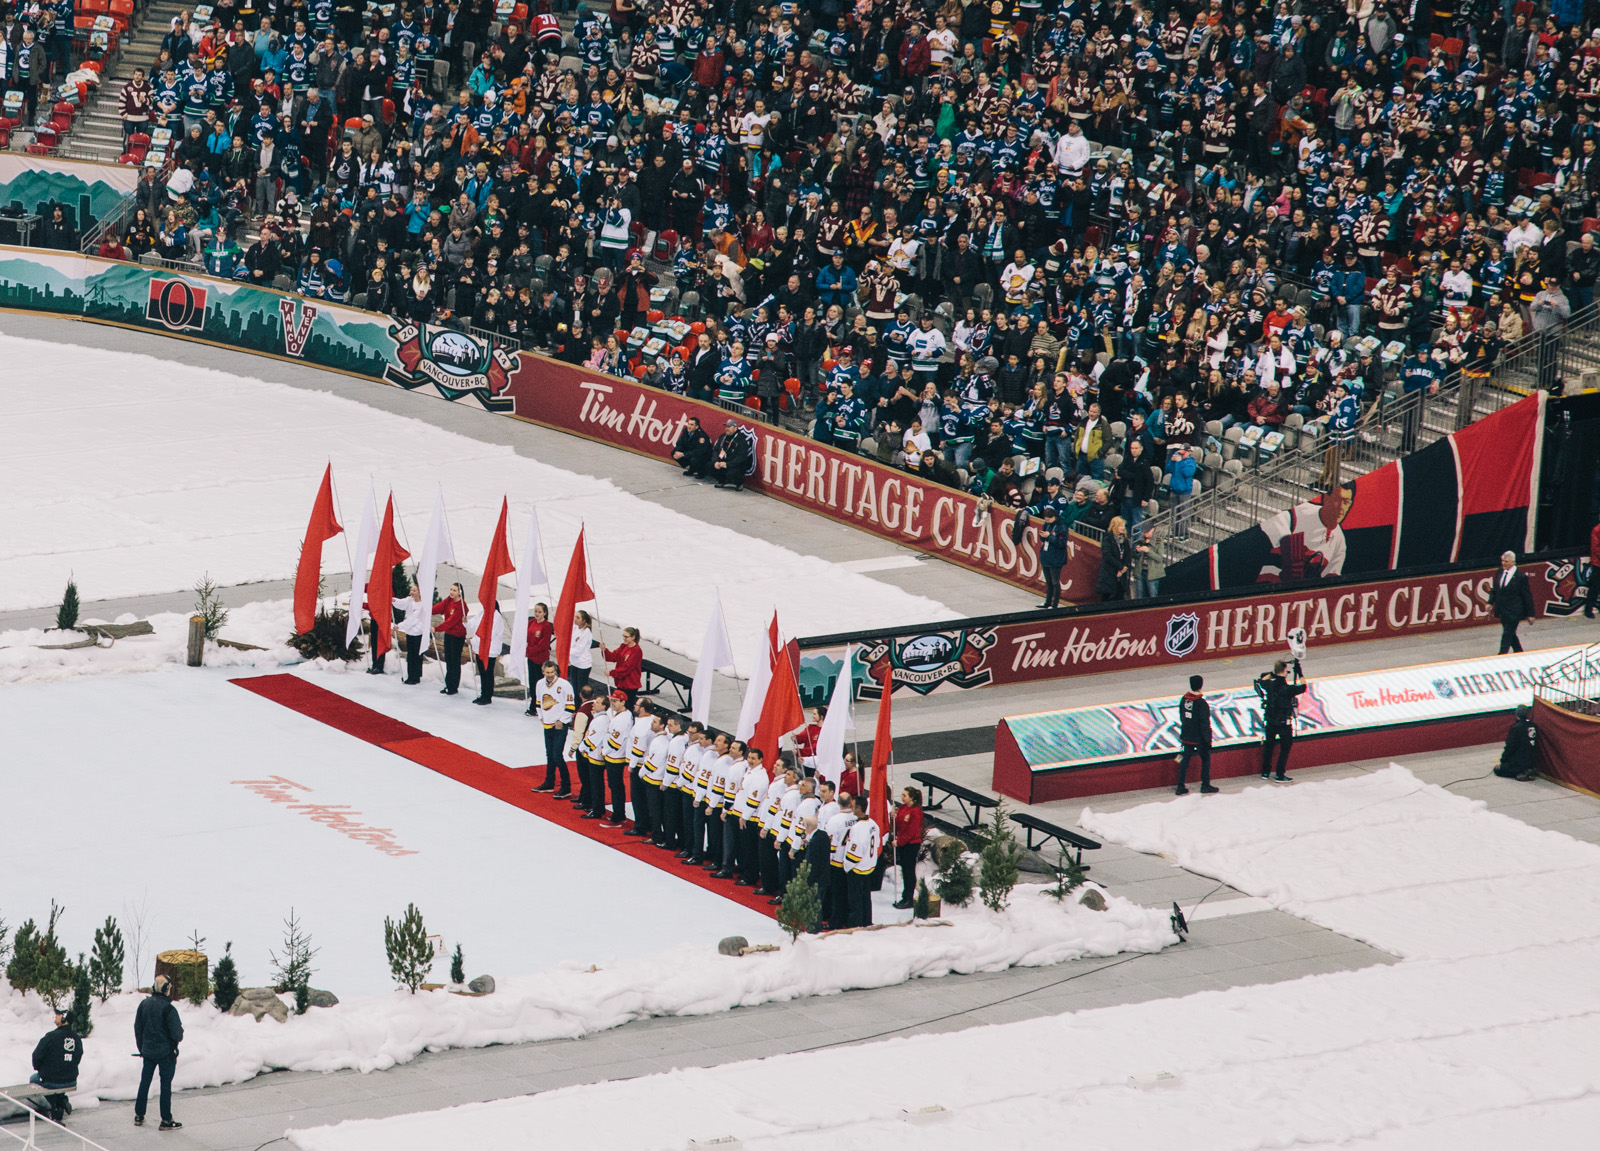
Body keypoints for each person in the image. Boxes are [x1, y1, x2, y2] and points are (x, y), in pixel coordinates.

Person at [133, 974, 183, 1130]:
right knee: (165, 1085)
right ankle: (166, 1119)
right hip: (165, 1054)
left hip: (148, 1052)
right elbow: (177, 1034)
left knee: (144, 1083)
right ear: (166, 989)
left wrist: (142, 1048)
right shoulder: (169, 1009)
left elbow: (138, 1028)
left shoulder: (144, 1004)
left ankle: (139, 1115)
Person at [1255, 659, 1307, 781]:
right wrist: (1300, 673)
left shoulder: (1269, 685)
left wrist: (1273, 673)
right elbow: (1303, 687)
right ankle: (1279, 773)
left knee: (1269, 746)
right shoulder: (1288, 689)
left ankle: (1265, 772)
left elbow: (1262, 680)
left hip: (1270, 721)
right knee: (1285, 748)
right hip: (1284, 724)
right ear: (1285, 671)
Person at [29, 1006, 80, 1125]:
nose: (55, 1017)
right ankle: (61, 1099)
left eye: (58, 1014)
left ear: (64, 1018)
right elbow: (77, 1057)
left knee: (34, 1078)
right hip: (71, 1080)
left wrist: (40, 1069)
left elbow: (36, 1056)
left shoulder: (50, 1037)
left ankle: (57, 1104)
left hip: (52, 1080)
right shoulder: (76, 1038)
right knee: (57, 1082)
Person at [531, 661, 575, 795]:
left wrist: (562, 720)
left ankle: (566, 787)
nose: (550, 675)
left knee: (557, 755)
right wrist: (541, 717)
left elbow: (570, 706)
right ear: (543, 672)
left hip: (559, 725)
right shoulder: (539, 684)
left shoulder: (564, 685)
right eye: (547, 672)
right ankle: (549, 783)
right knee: (549, 755)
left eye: (552, 672)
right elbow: (538, 702)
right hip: (547, 724)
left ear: (555, 671)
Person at [842, 794, 881, 927]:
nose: (851, 808)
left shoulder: (858, 828)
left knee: (855, 899)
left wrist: (847, 866)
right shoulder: (873, 824)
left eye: (853, 806)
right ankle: (866, 920)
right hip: (868, 867)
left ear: (858, 808)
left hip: (857, 869)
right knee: (866, 897)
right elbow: (877, 844)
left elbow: (855, 853)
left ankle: (855, 924)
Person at [1175, 674, 1217, 795]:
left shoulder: (1184, 699)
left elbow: (1182, 716)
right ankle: (1205, 784)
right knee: (1205, 759)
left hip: (1186, 735)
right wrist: (1208, 739)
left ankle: (1180, 785)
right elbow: (1204, 723)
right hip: (1199, 738)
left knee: (1184, 760)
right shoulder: (1202, 703)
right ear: (1201, 685)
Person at [1487, 551, 1535, 654]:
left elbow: (1527, 596)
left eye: (1506, 561)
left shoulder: (1520, 577)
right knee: (1511, 634)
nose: (1503, 563)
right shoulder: (1500, 572)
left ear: (1513, 562)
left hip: (1514, 611)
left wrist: (1530, 614)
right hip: (1502, 610)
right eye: (1502, 561)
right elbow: (1495, 589)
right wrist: (1490, 602)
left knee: (1507, 634)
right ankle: (1519, 652)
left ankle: (1502, 655)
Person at [467, 599, 505, 705]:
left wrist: (473, 641)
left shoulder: (496, 617)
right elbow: (473, 624)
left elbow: (489, 635)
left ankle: (487, 696)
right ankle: (483, 694)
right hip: (480, 648)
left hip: (490, 649)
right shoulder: (482, 613)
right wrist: (466, 622)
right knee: (483, 673)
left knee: (488, 673)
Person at [431, 583, 467, 696]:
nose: (451, 592)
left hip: (457, 635)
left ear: (459, 592)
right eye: (451, 589)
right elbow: (440, 607)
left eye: (454, 590)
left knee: (454, 661)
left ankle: (453, 686)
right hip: (449, 634)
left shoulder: (461, 606)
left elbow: (451, 622)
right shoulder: (449, 600)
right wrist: (428, 610)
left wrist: (436, 629)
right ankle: (448, 684)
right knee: (448, 659)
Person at [891, 786, 924, 909]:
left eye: (905, 795)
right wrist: (894, 817)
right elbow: (899, 825)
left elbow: (911, 832)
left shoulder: (916, 812)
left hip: (911, 844)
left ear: (912, 798)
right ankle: (905, 896)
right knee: (905, 870)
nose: (902, 797)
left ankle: (909, 898)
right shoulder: (903, 807)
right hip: (904, 843)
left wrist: (899, 842)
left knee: (909, 871)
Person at [395, 581, 428, 685]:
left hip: (418, 633)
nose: (412, 592)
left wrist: (399, 626)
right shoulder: (410, 601)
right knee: (410, 655)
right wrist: (393, 600)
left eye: (414, 590)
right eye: (411, 590)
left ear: (419, 592)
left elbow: (413, 619)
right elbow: (401, 603)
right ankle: (411, 675)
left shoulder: (422, 605)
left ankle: (416, 676)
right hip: (410, 632)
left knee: (417, 655)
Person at [1494, 706, 1539, 781]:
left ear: (1516, 714)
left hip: (1519, 760)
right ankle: (1528, 769)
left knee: (1497, 770)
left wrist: (1503, 760)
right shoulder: (1534, 726)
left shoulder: (1516, 728)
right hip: (1531, 759)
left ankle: (1520, 772)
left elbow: (1510, 747)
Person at [1036, 506, 1069, 609]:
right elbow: (1044, 538)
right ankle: (1048, 602)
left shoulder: (1062, 526)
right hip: (1046, 556)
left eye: (1049, 519)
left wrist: (1049, 537)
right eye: (1046, 520)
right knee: (1048, 582)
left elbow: (1062, 543)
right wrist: (1042, 535)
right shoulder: (1047, 524)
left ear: (1054, 517)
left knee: (1055, 582)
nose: (1047, 521)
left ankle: (1054, 605)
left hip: (1056, 558)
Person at [523, 602, 555, 704]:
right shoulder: (532, 622)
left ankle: (538, 704)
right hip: (531, 657)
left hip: (540, 658)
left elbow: (543, 645)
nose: (537, 614)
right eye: (536, 611)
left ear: (544, 613)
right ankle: (533, 702)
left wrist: (529, 651)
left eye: (540, 612)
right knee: (532, 682)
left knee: (539, 682)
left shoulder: (546, 626)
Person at [603, 626, 644, 705]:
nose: (624, 638)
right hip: (621, 682)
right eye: (623, 636)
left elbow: (627, 668)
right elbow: (613, 656)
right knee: (618, 705)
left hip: (630, 684)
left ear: (633, 637)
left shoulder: (636, 651)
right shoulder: (623, 646)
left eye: (626, 637)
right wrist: (605, 650)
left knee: (627, 706)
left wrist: (612, 673)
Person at [1096, 515, 1132, 602]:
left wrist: (1123, 568)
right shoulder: (1108, 538)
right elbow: (1107, 555)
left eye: (1123, 526)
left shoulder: (1125, 540)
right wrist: (1120, 566)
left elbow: (1128, 555)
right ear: (1115, 526)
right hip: (1109, 572)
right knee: (1106, 596)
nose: (1123, 528)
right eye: (1121, 526)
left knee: (1120, 596)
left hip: (1121, 573)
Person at [568, 610, 595, 698]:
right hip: (574, 662)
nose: (575, 619)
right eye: (575, 617)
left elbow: (578, 651)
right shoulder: (576, 628)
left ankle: (581, 707)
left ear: (583, 621)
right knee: (574, 688)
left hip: (583, 664)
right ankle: (575, 708)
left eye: (578, 618)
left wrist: (567, 652)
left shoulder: (586, 632)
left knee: (581, 690)